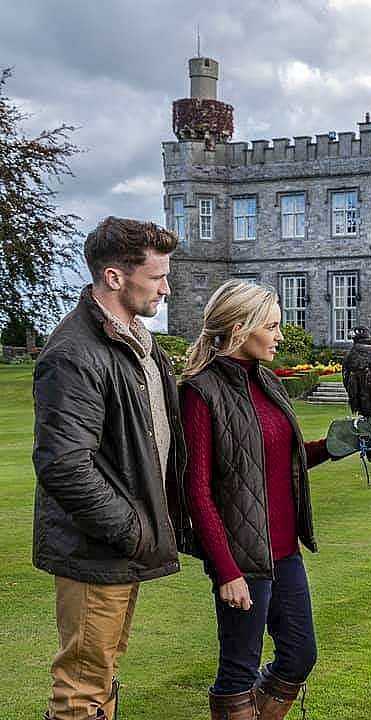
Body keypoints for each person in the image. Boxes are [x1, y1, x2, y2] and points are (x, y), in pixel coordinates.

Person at [179, 280, 371, 720]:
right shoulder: (201, 392)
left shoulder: (267, 381)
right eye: (271, 326)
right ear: (240, 327)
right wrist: (226, 571)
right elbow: (197, 490)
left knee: (299, 655)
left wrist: (333, 445)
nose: (279, 336)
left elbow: (277, 460)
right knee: (238, 671)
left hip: (285, 550)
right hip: (242, 557)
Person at [32, 216, 187, 720]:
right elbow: (64, 466)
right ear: (115, 277)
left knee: (101, 673)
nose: (167, 287)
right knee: (81, 686)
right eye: (158, 276)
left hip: (121, 544)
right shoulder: (75, 354)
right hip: (97, 547)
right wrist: (135, 530)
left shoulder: (137, 340)